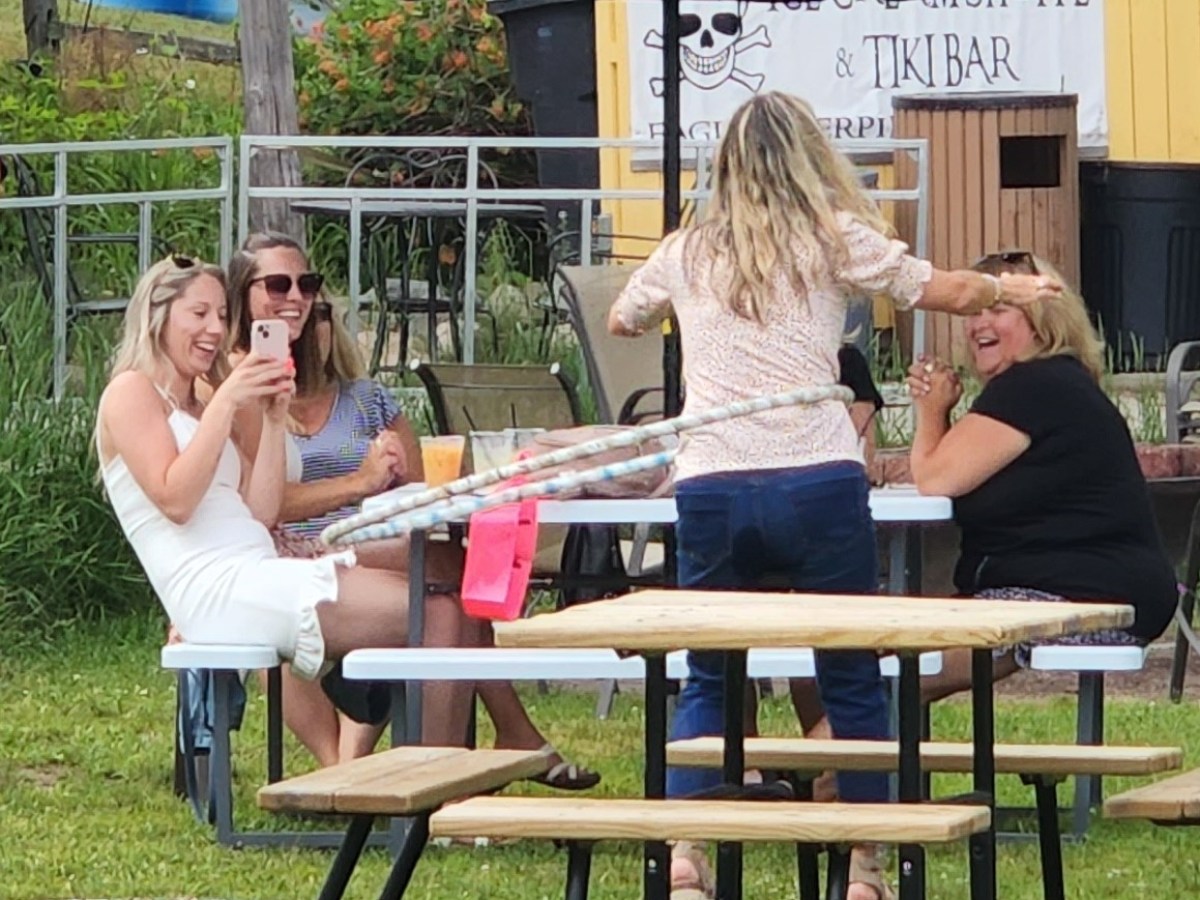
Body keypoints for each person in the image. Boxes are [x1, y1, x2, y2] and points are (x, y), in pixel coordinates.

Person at [607, 92, 1062, 900]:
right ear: (812, 160)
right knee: (850, 676)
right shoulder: (833, 239)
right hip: (819, 481)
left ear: (726, 167)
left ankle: (684, 855)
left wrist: (676, 315)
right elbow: (946, 290)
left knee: (708, 676)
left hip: (712, 481)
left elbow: (621, 319)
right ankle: (864, 869)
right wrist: (1015, 294)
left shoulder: (687, 250)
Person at [221, 232, 599, 788]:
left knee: (451, 571)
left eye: (308, 287)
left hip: (359, 542)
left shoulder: (355, 394)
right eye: (277, 285)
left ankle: (441, 766)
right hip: (298, 552)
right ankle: (462, 759)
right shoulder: (239, 385)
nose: (296, 299)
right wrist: (361, 482)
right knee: (449, 587)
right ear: (242, 298)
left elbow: (418, 488)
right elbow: (263, 505)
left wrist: (390, 479)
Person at [97, 256, 475, 749]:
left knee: (449, 596)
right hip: (215, 589)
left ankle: (433, 780)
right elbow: (175, 499)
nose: (214, 329)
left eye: (221, 316)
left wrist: (273, 422)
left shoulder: (202, 403)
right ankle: (429, 787)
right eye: (199, 314)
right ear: (158, 315)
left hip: (257, 566)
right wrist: (229, 402)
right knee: (438, 613)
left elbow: (259, 510)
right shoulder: (131, 392)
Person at [906, 250, 1176, 701]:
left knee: (879, 676)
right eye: (973, 311)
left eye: (999, 309)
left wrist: (931, 411)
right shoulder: (1049, 385)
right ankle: (805, 768)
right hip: (1074, 589)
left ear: (1043, 320)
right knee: (844, 656)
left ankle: (811, 770)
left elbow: (935, 479)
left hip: (1078, 597)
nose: (979, 324)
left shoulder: (1033, 387)